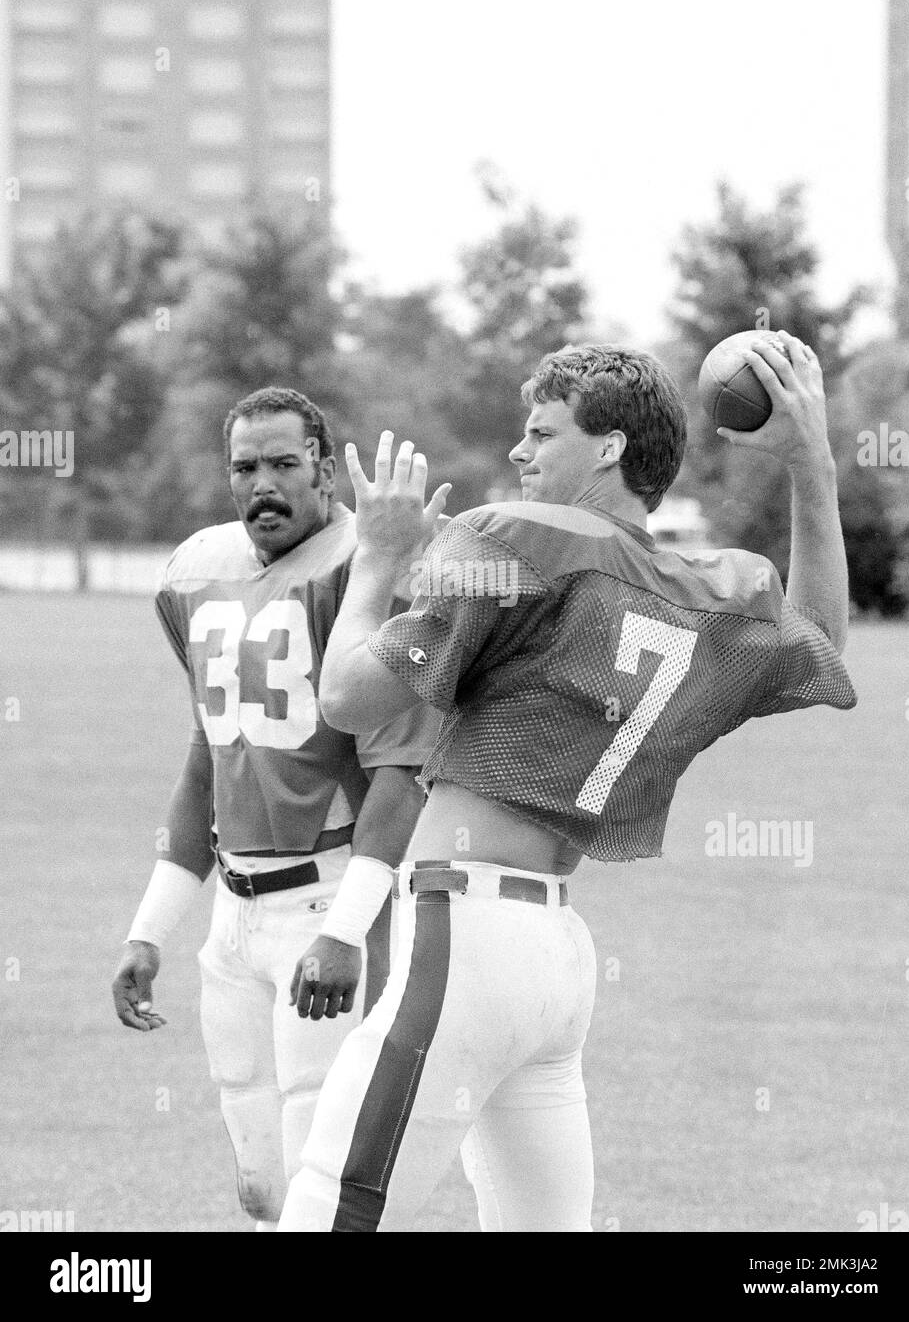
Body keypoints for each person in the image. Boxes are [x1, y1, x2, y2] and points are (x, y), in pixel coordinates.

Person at [277, 334, 857, 1233]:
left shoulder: (514, 537)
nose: (518, 451)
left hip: (462, 933)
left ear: (612, 447)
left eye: (542, 433)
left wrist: (378, 558)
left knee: (330, 1208)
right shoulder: (706, 587)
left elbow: (350, 698)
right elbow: (821, 635)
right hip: (555, 956)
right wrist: (811, 465)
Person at [111, 386, 439, 1230]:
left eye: (284, 464)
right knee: (260, 1180)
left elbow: (402, 774)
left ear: (324, 469)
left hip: (323, 901)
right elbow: (209, 758)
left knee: (313, 1169)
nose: (263, 484)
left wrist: (343, 931)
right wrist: (151, 928)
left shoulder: (364, 569)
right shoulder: (198, 571)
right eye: (245, 467)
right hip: (232, 913)